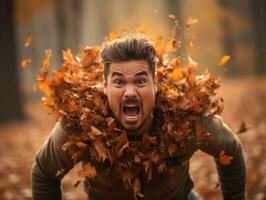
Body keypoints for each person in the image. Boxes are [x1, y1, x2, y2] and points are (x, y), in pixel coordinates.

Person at [31, 36, 246, 200]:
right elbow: (44, 172)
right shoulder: (80, 125)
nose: (130, 92)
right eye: (119, 82)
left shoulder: (186, 117)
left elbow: (230, 149)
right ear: (104, 86)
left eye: (140, 82)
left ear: (155, 84)